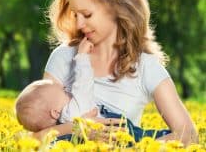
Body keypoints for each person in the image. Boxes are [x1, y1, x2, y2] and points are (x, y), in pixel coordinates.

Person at [36, 0, 198, 146]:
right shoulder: (63, 58)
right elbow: (31, 138)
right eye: (75, 14)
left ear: (117, 8)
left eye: (87, 15)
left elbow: (188, 135)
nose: (79, 24)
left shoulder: (146, 67)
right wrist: (77, 129)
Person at [15, 39, 171, 142]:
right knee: (144, 137)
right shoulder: (74, 109)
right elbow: (83, 83)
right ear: (55, 112)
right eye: (62, 91)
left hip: (107, 135)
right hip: (115, 129)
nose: (65, 88)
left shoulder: (61, 126)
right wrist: (82, 57)